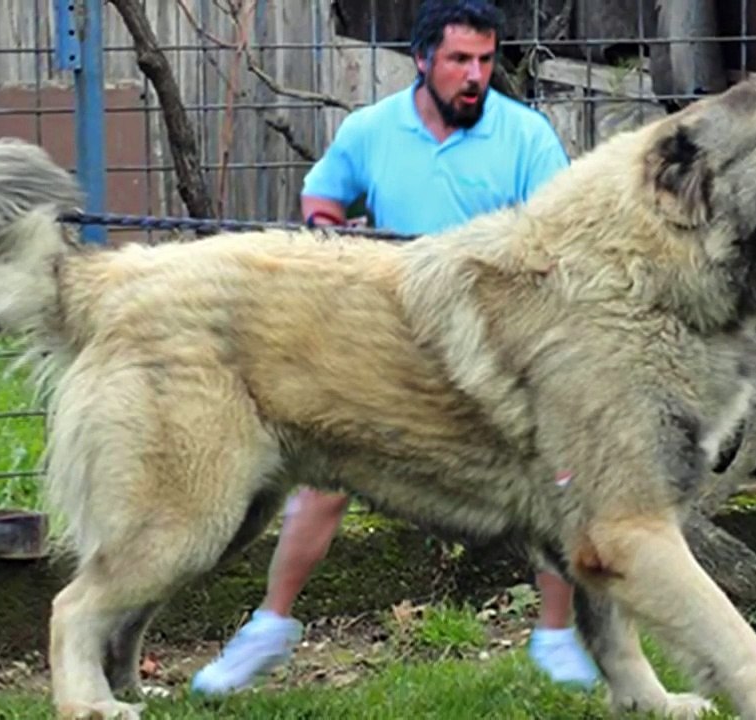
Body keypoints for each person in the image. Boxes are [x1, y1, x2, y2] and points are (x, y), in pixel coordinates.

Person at [190, 0, 599, 696]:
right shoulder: (370, 130)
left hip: (498, 351)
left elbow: (555, 240)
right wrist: (333, 237)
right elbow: (321, 204)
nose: (476, 76)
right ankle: (269, 627)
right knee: (324, 479)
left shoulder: (526, 135)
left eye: (485, 60)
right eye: (459, 61)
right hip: (393, 340)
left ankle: (556, 637)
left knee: (556, 479)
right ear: (422, 61)